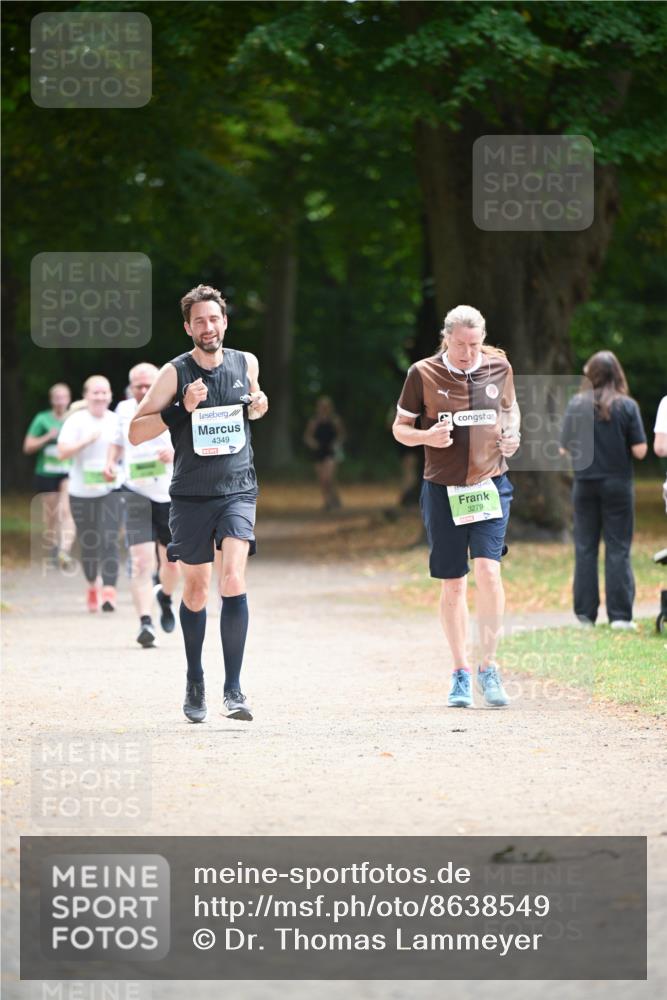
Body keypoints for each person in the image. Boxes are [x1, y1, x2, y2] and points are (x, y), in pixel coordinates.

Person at [128, 284, 268, 723]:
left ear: (225, 321)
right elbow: (135, 432)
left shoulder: (246, 362)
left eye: (215, 318)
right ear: (188, 326)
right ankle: (195, 679)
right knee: (195, 589)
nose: (209, 327)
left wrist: (259, 405)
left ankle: (235, 689)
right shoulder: (174, 373)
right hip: (190, 494)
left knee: (232, 580)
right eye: (200, 321)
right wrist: (180, 409)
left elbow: (255, 405)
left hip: (238, 490)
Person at [392, 304, 520, 709]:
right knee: (454, 583)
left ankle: (489, 666)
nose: (468, 352)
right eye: (461, 344)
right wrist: (427, 437)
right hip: (442, 490)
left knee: (488, 571)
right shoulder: (423, 373)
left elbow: (510, 411)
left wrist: (512, 436)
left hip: (489, 484)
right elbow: (400, 429)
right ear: (446, 337)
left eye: (476, 344)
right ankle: (461, 671)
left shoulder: (499, 368)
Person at [560, 351, 647, 629]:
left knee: (585, 548)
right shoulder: (627, 406)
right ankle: (620, 617)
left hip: (584, 484)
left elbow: (563, 447)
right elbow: (641, 450)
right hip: (618, 485)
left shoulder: (576, 404)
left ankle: (585, 616)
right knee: (618, 547)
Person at [106, 363, 180, 648]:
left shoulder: (176, 405)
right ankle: (145, 622)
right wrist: (110, 462)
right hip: (135, 492)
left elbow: (194, 443)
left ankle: (165, 596)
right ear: (130, 386)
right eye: (138, 385)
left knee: (172, 564)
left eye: (149, 384)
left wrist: (174, 452)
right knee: (140, 561)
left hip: (170, 495)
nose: (144, 390)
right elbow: (116, 443)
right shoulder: (123, 410)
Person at [56, 375, 122, 612]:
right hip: (81, 492)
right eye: (95, 392)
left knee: (109, 539)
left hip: (110, 489)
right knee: (90, 543)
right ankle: (93, 585)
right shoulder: (76, 421)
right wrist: (85, 441)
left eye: (105, 392)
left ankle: (109, 592)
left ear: (111, 395)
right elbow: (61, 453)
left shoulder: (116, 420)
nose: (100, 397)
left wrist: (115, 465)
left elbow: (128, 451)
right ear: (85, 396)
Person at [23, 383, 76, 568]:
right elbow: (28, 446)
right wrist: (48, 436)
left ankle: (64, 551)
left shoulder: (75, 418)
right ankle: (53, 548)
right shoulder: (42, 419)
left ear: (69, 399)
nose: (61, 401)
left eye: (64, 397)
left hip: (68, 471)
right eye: (57, 397)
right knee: (51, 514)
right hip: (46, 472)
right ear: (52, 400)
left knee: (66, 510)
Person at [304, 396, 345, 510]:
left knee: (329, 477)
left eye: (326, 406)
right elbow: (308, 436)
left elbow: (341, 435)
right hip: (318, 452)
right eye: (322, 406)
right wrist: (312, 443)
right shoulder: (314, 422)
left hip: (330, 452)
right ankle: (327, 501)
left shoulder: (335, 420)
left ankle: (334, 498)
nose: (324, 408)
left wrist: (336, 443)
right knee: (322, 479)